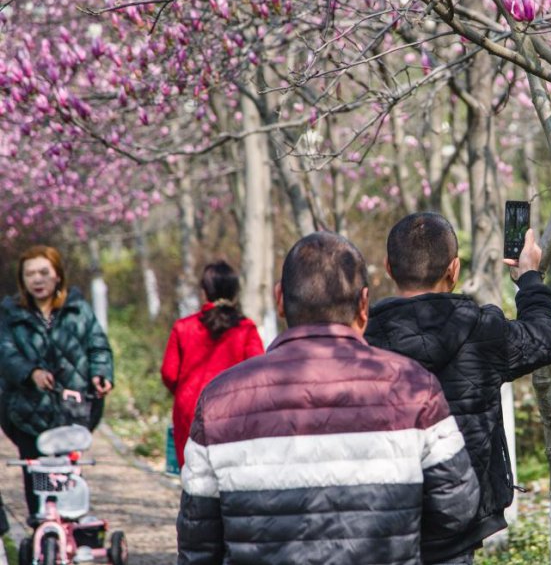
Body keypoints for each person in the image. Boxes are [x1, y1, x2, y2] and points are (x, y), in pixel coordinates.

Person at [176, 232, 479, 565]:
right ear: (364, 304)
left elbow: (198, 538)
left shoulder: (219, 401)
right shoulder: (415, 389)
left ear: (280, 300)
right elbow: (458, 508)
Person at [365, 212, 551, 565]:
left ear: (388, 268)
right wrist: (528, 277)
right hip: (458, 520)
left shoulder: (362, 341)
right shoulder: (484, 330)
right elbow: (545, 339)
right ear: (454, 270)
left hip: (381, 520)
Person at [0, 245, 114, 522]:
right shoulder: (10, 313)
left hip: (71, 410)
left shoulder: (78, 310)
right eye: (30, 274)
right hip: (26, 411)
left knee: (68, 472)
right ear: (22, 280)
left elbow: (98, 346)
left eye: (43, 272)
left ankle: (68, 530)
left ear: (58, 276)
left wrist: (102, 374)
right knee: (36, 472)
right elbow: (5, 352)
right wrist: (31, 373)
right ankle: (42, 532)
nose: (37, 280)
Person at [161, 261, 264, 469]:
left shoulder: (183, 328)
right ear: (234, 291)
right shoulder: (245, 329)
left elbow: (169, 373)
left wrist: (183, 390)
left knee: (193, 474)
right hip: (234, 413)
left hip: (190, 410)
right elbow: (258, 372)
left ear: (204, 291)